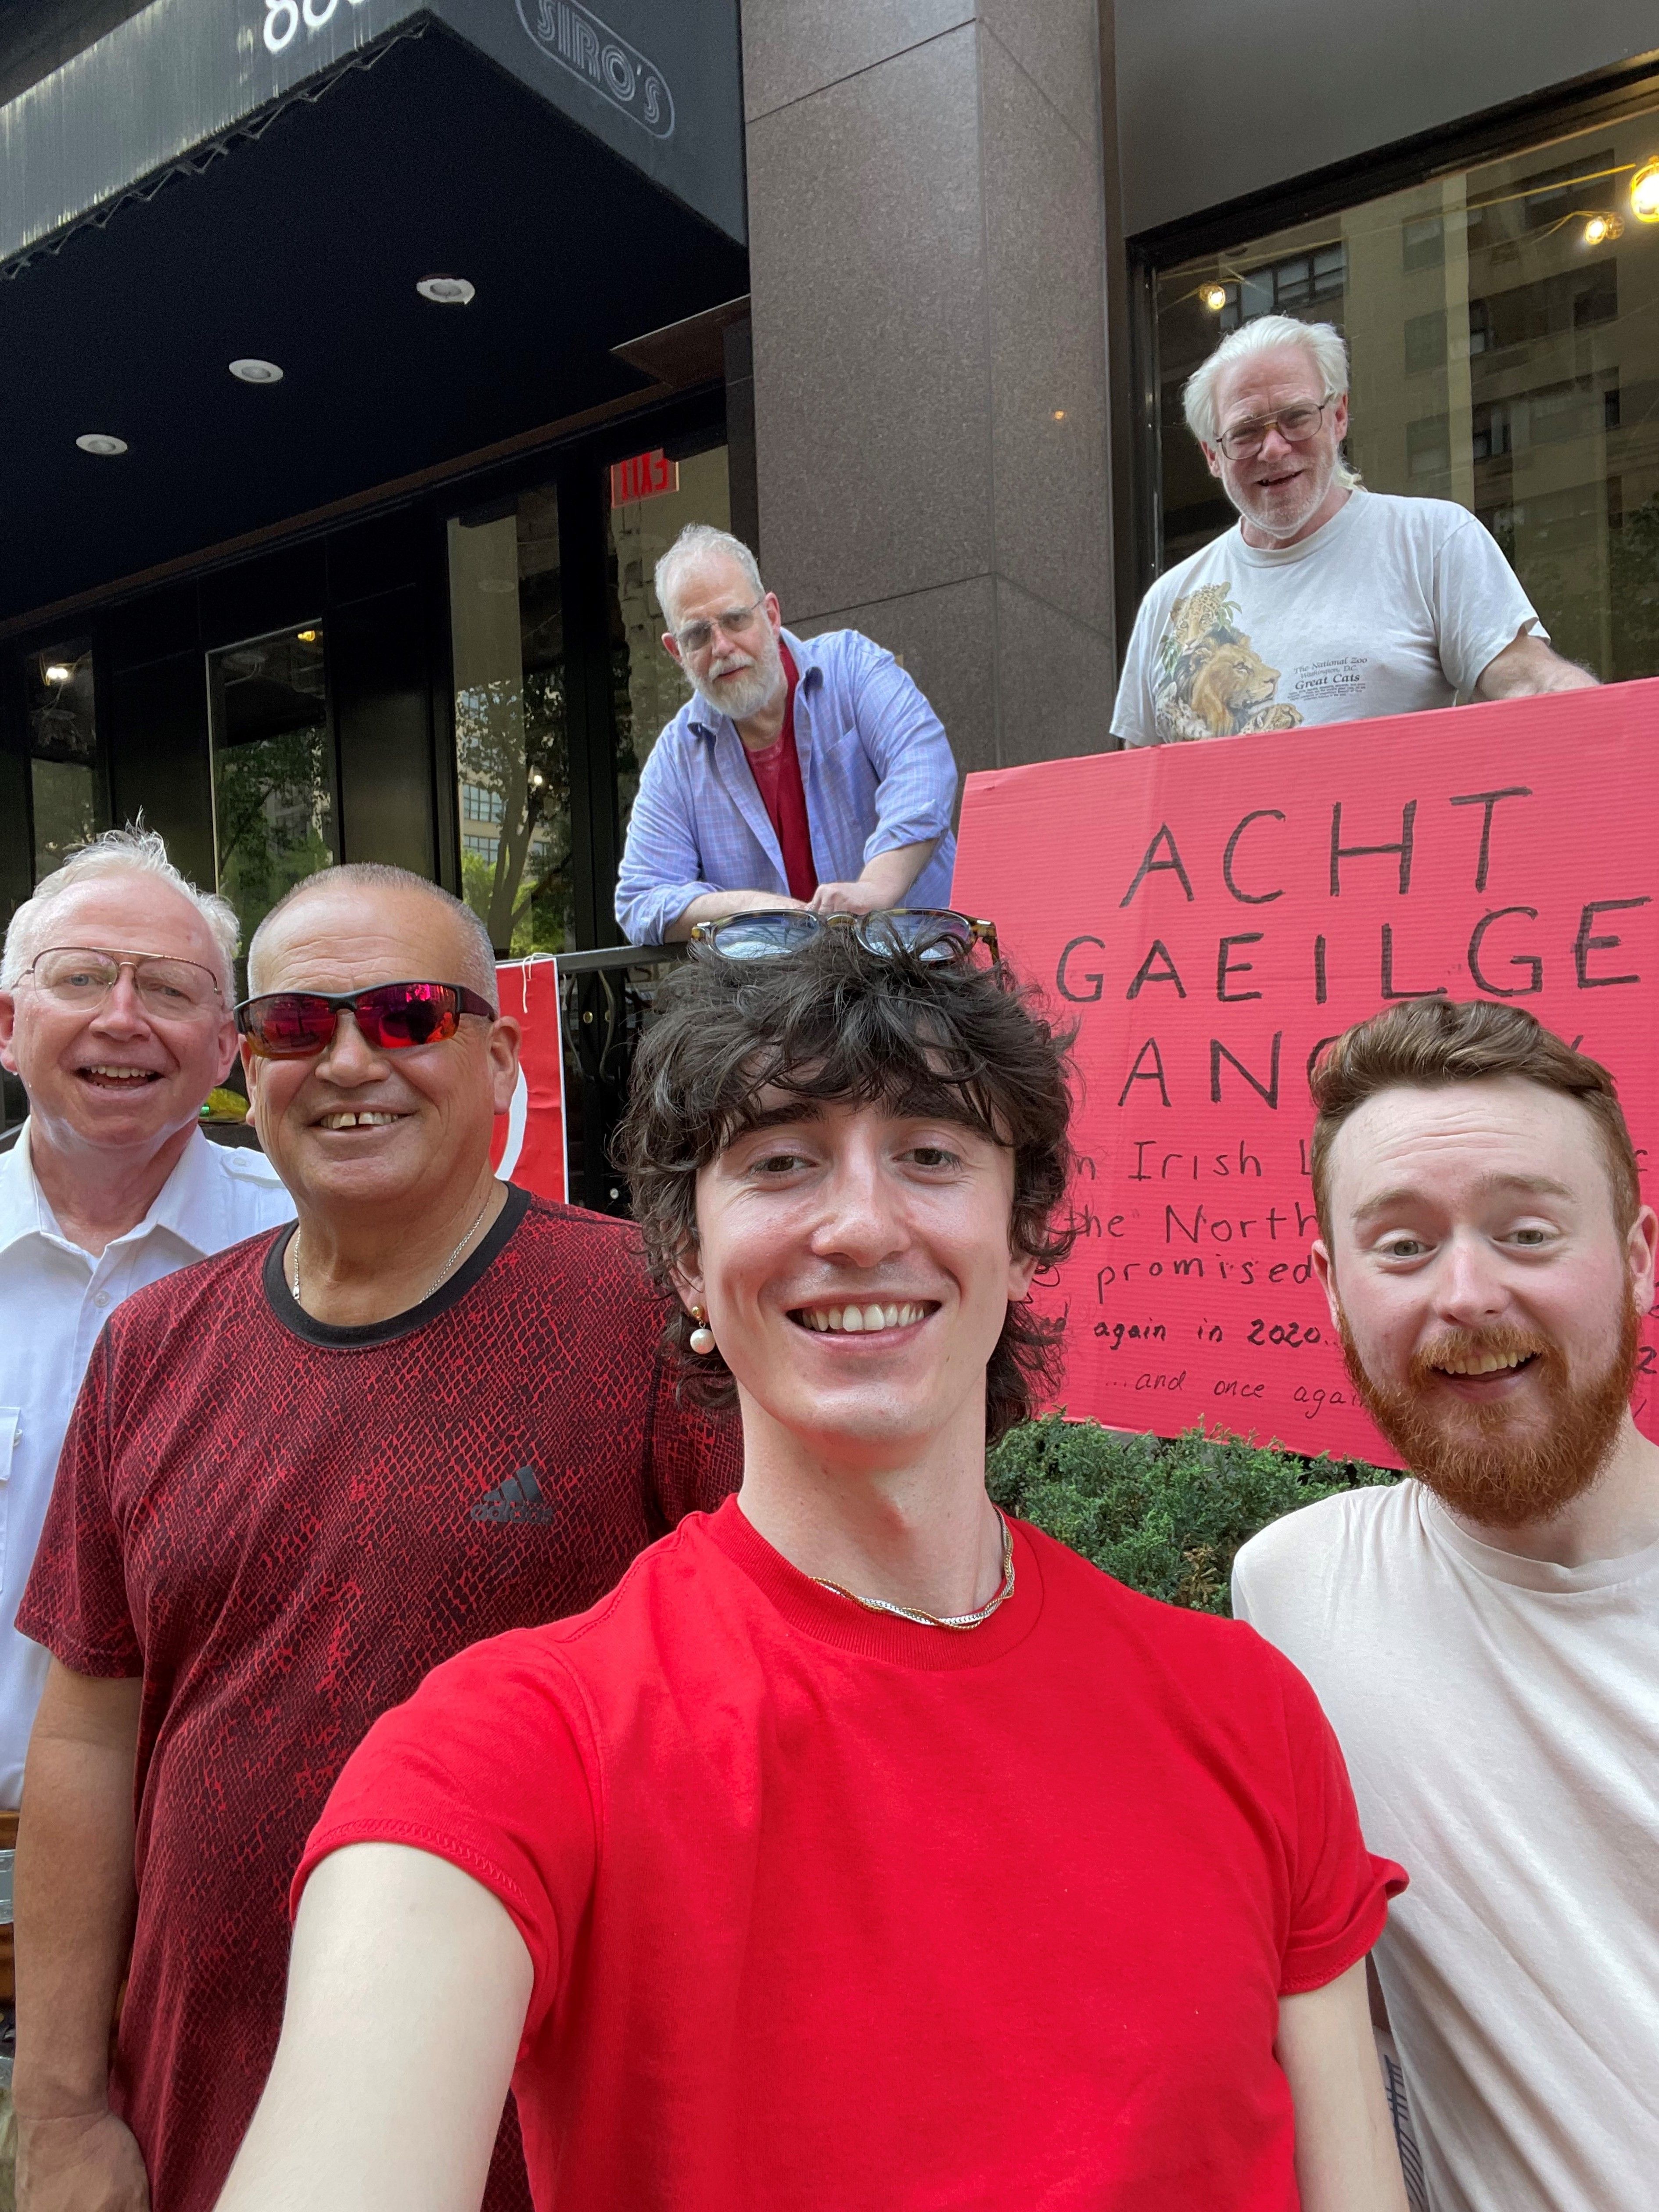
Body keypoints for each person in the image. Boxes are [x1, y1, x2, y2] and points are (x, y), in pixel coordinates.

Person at [217, 909, 1408, 2212]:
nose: (859, 1225)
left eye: (931, 1155)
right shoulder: (513, 1749)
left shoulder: (1249, 1713)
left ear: (1020, 1243)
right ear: (685, 1261)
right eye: (781, 1163)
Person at [13, 862, 737, 2212]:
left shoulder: (653, 1330)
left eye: (408, 1016)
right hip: (201, 2105)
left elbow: (782, 1728)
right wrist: (58, 2107)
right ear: (251, 1064)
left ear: (499, 1055)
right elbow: (87, 1737)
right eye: (296, 1026)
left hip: (541, 2120)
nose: (351, 1061)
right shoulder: (149, 1352)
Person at [1232, 998, 1659, 2212]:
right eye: (1402, 1248)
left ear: (1634, 1257)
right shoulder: (1294, 1591)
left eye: (1526, 1233)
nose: (1463, 1293)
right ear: (1330, 1288)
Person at [0, 828, 294, 1809]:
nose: (122, 1019)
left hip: (215, 1856)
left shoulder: (317, 1252)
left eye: (169, 990)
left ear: (225, 1048)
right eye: (80, 979)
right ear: (8, 1023)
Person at [1112, 316, 1596, 745]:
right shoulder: (1168, 604)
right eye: (1245, 432)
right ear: (1213, 456)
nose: (1274, 448)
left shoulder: (1431, 540)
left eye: (1297, 417)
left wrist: (1614, 726)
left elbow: (1530, 683)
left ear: (1338, 416)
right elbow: (1139, 792)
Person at [613, 524, 959, 944]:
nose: (721, 646)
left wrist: (875, 890)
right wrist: (758, 910)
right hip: (782, 1003)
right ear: (676, 653)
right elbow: (641, 899)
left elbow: (924, 769)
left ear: (771, 615)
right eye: (698, 635)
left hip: (915, 980)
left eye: (735, 619)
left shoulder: (853, 668)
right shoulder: (677, 758)